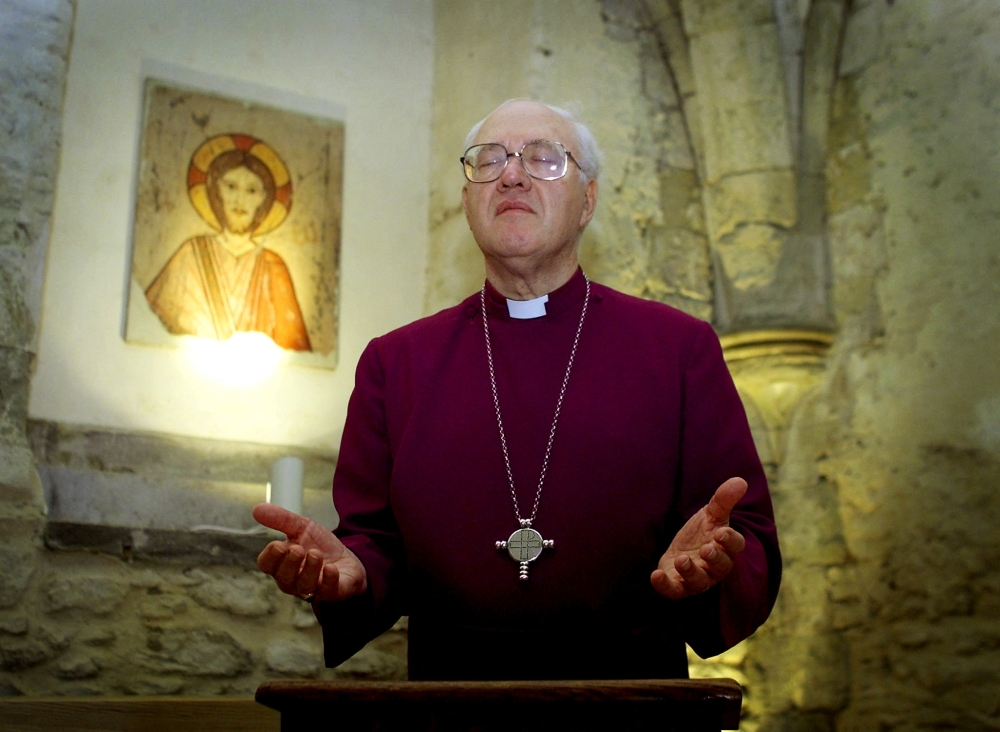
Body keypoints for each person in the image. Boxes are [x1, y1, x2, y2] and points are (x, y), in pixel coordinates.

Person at [254, 100, 781, 680]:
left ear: (588, 200)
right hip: (450, 706)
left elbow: (742, 530)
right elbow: (373, 544)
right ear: (468, 203)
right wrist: (351, 574)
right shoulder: (395, 362)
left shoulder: (679, 348)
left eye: (545, 158)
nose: (511, 173)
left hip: (631, 703)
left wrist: (712, 567)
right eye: (489, 160)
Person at [145, 134, 312, 351]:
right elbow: (150, 325)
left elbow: (295, 352)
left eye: (251, 190)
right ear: (216, 190)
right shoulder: (190, 255)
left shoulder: (273, 266)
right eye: (231, 186)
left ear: (265, 198)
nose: (239, 200)